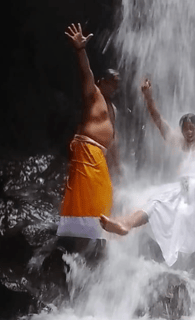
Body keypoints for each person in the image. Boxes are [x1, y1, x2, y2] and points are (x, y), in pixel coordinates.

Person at [100, 72, 195, 266]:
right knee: (155, 201)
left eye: (192, 128)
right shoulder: (179, 143)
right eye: (185, 128)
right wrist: (148, 98)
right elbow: (159, 121)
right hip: (183, 192)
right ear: (181, 131)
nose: (189, 132)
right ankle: (125, 224)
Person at [56, 23, 121, 262]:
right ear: (102, 81)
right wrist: (80, 50)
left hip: (100, 156)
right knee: (86, 204)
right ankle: (76, 257)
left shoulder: (112, 108)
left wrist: (118, 167)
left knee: (104, 200)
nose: (116, 85)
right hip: (87, 150)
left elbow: (114, 141)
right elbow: (86, 73)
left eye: (118, 82)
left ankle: (91, 253)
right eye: (112, 80)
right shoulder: (93, 93)